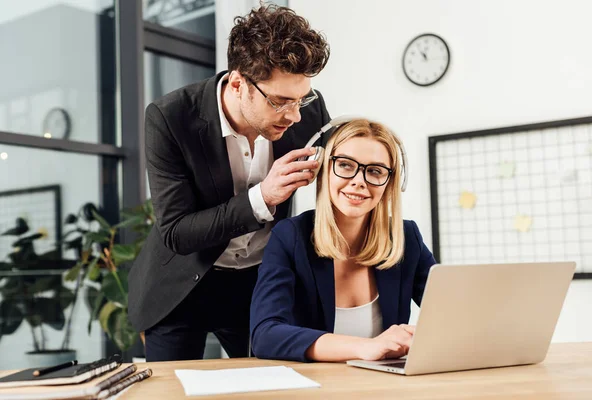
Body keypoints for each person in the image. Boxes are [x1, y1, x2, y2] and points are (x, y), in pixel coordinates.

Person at [128, 4, 331, 361]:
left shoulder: (307, 111)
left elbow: (338, 182)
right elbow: (177, 231)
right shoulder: (170, 117)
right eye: (280, 102)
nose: (295, 115)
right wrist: (263, 197)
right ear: (238, 83)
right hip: (181, 287)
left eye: (301, 99)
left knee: (273, 387)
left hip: (260, 282)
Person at [250, 119, 437, 362]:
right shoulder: (290, 237)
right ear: (324, 170)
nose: (359, 180)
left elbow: (451, 314)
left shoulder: (405, 237)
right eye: (346, 165)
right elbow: (265, 336)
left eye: (375, 171)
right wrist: (365, 347)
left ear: (389, 183)